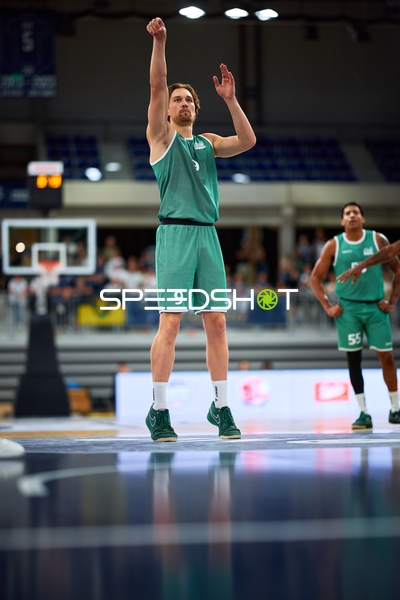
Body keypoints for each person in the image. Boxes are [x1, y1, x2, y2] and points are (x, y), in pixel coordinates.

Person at [145, 17, 256, 442]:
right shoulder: (161, 139)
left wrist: (231, 99)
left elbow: (247, 141)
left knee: (218, 324)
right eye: (178, 99)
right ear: (168, 109)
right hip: (175, 234)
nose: (184, 103)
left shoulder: (207, 143)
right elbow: (157, 85)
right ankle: (159, 410)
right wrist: (160, 43)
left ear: (196, 107)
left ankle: (221, 407)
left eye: (189, 99)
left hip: (207, 235)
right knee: (170, 323)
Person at [310, 202, 400, 430]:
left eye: (356, 212)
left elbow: (397, 267)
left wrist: (393, 301)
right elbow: (314, 279)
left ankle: (395, 409)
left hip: (375, 307)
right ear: (342, 221)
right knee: (354, 360)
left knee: (387, 358)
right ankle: (363, 412)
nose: (352, 216)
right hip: (348, 309)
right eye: (347, 213)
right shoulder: (334, 244)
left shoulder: (377, 239)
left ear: (363, 218)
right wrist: (328, 306)